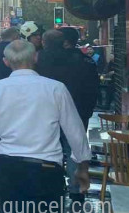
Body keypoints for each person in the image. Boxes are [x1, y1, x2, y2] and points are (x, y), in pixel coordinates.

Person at [0, 40, 91, 213]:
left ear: (6, 62)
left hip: (9, 169)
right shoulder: (56, 89)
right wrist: (82, 167)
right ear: (36, 58)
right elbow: (75, 131)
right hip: (46, 171)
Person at [36, 30, 99, 203]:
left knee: (49, 149)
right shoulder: (85, 61)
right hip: (78, 113)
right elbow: (93, 89)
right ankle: (76, 189)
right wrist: (87, 111)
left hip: (48, 114)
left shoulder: (40, 61)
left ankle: (50, 185)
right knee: (75, 150)